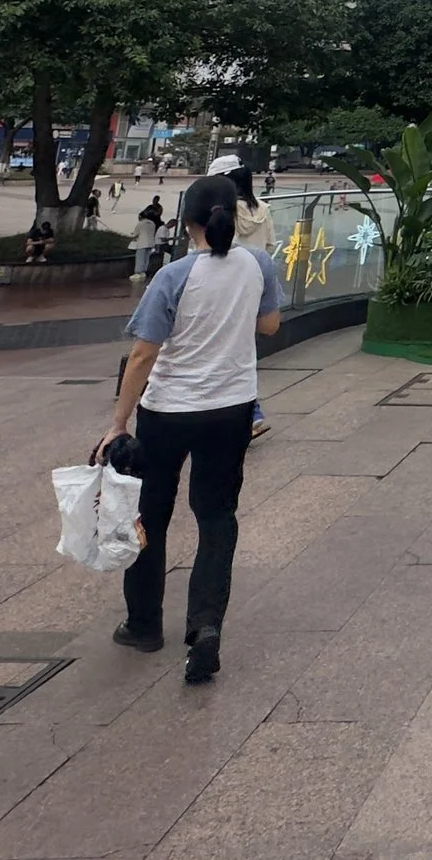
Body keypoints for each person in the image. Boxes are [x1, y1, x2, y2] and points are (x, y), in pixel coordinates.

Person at [98, 169, 285, 686]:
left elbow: (142, 354)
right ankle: (205, 627)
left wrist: (118, 423)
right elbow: (270, 325)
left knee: (150, 516)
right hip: (232, 410)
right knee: (217, 515)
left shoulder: (174, 276)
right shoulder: (259, 264)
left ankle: (143, 626)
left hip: (167, 413)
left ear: (187, 222)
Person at [208, 154, 277, 438]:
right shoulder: (263, 208)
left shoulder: (222, 211)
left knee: (221, 350)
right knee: (244, 350)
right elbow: (270, 245)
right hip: (255, 284)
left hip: (223, 286)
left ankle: (249, 412)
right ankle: (248, 412)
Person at [131, 196, 168, 284]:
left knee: (140, 258)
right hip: (150, 243)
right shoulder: (152, 223)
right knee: (146, 258)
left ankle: (138, 273)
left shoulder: (140, 224)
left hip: (142, 243)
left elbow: (135, 234)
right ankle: (143, 272)